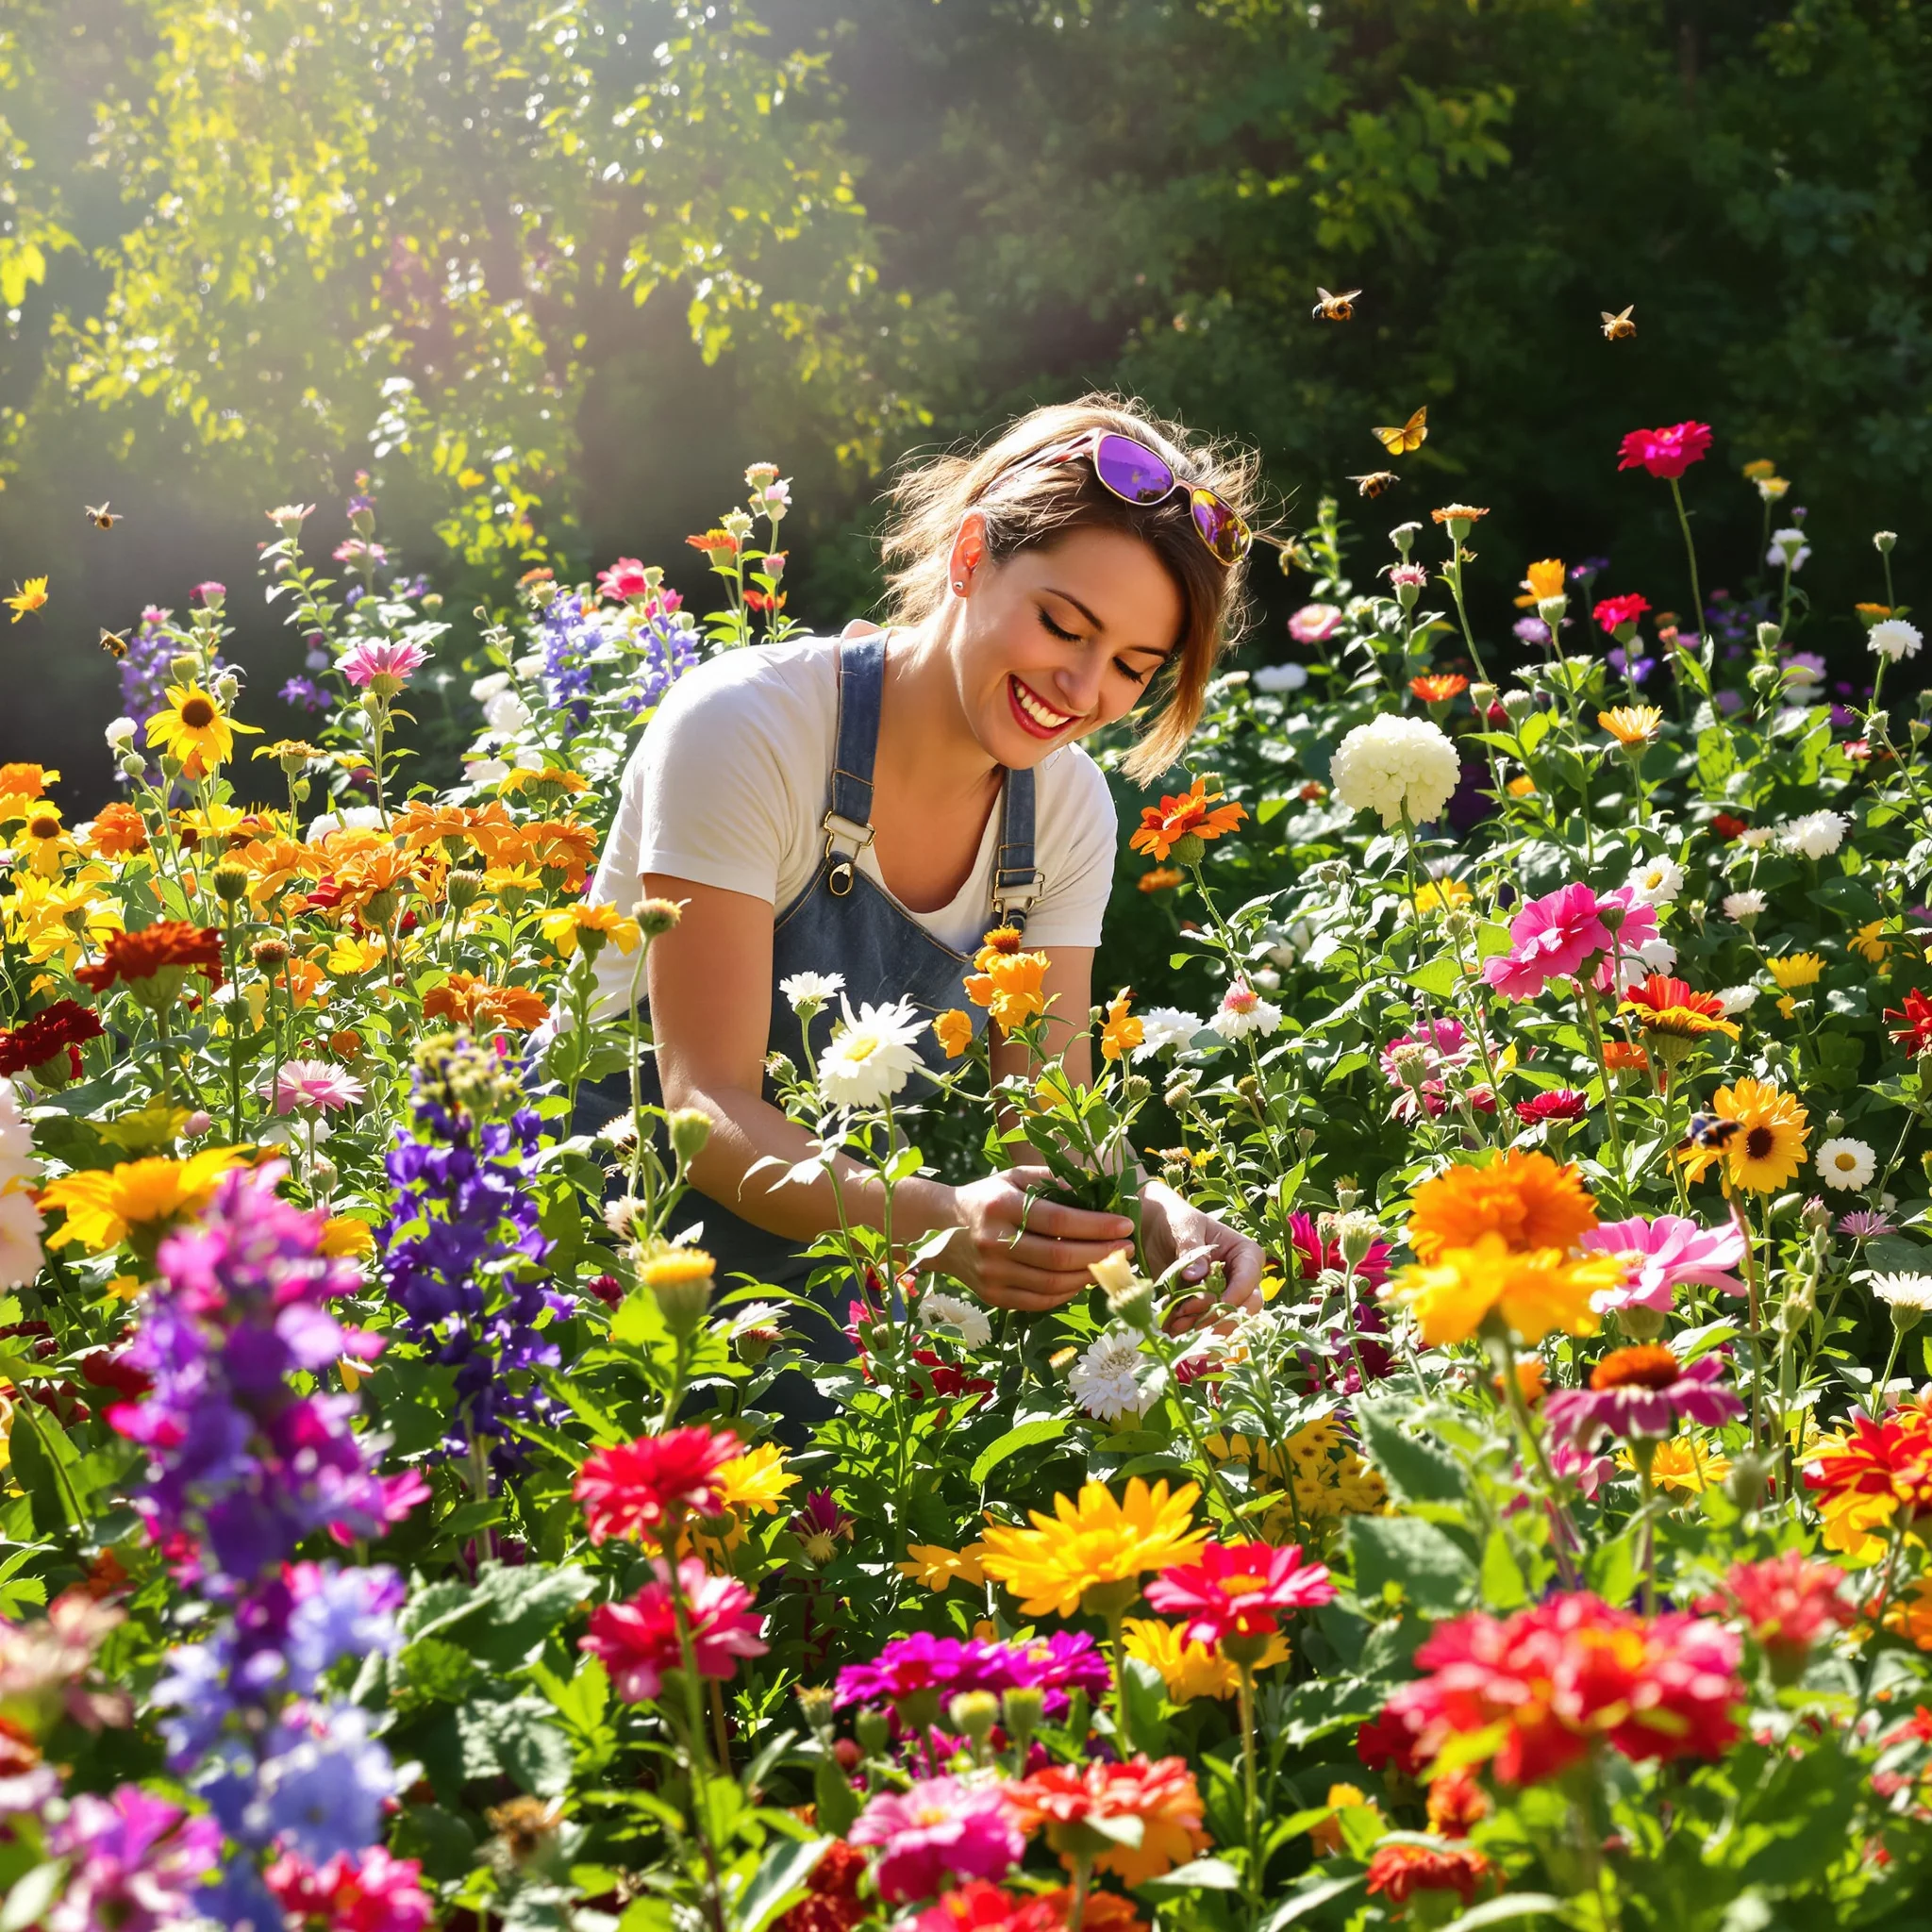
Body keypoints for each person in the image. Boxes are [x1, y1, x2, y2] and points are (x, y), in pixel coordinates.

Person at [575, 393, 1266, 1358]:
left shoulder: (1065, 811)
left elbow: (1045, 1121)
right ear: (971, 554)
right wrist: (940, 1219)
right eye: (1064, 626)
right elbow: (704, 1105)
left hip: (836, 1250)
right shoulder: (746, 728)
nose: (1082, 690)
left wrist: (1157, 1214)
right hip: (605, 1233)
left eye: (1131, 666)